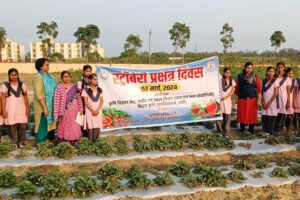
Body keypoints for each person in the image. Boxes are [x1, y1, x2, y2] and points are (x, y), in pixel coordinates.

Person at [0, 68, 30, 147]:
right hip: (10, 109)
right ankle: (13, 144)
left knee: (22, 125)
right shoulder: (5, 85)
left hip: (21, 108)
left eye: (15, 75)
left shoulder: (22, 84)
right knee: (11, 125)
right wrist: (3, 110)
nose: (13, 77)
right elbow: (3, 99)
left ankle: (21, 143)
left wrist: (27, 108)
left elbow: (25, 97)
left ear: (18, 75)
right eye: (11, 75)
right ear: (9, 76)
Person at [53, 71, 83, 145]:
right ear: (62, 78)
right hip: (63, 111)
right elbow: (56, 101)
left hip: (74, 111)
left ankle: (74, 140)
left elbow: (79, 98)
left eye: (68, 76)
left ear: (70, 77)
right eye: (64, 77)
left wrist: (81, 108)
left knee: (74, 125)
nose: (66, 78)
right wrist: (56, 114)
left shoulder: (75, 86)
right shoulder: (59, 87)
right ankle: (64, 141)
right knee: (64, 125)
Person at [33, 58, 57, 144]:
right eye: (46, 65)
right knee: (42, 123)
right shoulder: (38, 77)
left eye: (48, 64)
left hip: (50, 103)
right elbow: (39, 93)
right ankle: (40, 143)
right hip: (42, 104)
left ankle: (49, 139)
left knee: (49, 122)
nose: (48, 66)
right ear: (40, 66)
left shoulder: (49, 76)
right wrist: (45, 107)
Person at [234, 62, 262, 133]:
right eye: (248, 68)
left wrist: (259, 99)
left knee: (252, 114)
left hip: (252, 99)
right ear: (244, 68)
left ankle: (251, 131)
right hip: (242, 99)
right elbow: (237, 88)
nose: (249, 69)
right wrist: (234, 98)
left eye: (251, 68)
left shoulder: (255, 76)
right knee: (242, 114)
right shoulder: (240, 76)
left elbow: (259, 88)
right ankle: (242, 130)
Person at [82, 74, 103, 142]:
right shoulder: (85, 90)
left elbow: (101, 101)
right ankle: (90, 142)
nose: (96, 81)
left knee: (97, 124)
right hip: (89, 110)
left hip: (98, 111)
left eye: (96, 79)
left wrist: (97, 110)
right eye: (94, 79)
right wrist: (92, 110)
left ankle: (96, 141)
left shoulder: (99, 90)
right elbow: (86, 102)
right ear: (90, 80)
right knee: (90, 124)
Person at [217, 68, 236, 136]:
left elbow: (233, 90)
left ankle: (226, 131)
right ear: (223, 73)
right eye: (226, 73)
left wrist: (227, 97)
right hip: (221, 100)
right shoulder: (220, 79)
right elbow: (216, 70)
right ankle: (220, 131)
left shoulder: (232, 80)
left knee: (227, 116)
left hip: (227, 100)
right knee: (219, 116)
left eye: (229, 73)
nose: (228, 74)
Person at [261, 67, 279, 134]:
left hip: (272, 101)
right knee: (264, 116)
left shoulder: (276, 82)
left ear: (274, 73)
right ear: (267, 72)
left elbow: (275, 94)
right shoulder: (263, 81)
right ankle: (264, 131)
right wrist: (263, 102)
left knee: (271, 116)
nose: (271, 73)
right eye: (269, 71)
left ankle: (270, 131)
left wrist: (269, 103)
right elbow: (261, 92)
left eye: (272, 71)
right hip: (264, 101)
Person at [274, 62, 291, 134]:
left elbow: (288, 90)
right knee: (275, 113)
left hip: (283, 98)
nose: (280, 69)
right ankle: (275, 128)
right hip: (274, 98)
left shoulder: (286, 79)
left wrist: (288, 101)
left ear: (284, 68)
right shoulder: (274, 78)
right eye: (278, 67)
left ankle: (280, 129)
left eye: (281, 67)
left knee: (282, 114)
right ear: (276, 68)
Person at [285, 67, 295, 133]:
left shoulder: (294, 81)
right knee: (283, 114)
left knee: (290, 114)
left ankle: (289, 128)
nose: (290, 75)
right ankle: (283, 127)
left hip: (291, 98)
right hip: (284, 97)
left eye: (291, 73)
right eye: (288, 73)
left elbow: (294, 92)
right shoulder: (283, 80)